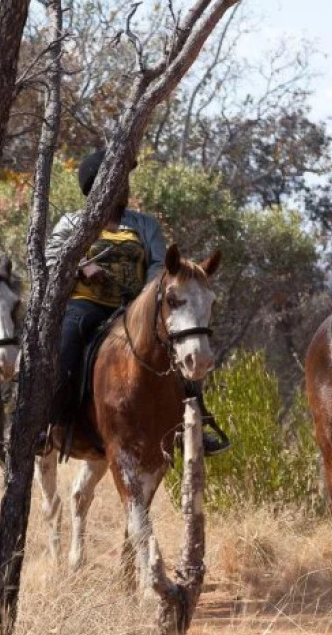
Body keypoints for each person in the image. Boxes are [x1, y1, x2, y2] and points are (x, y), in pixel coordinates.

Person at [46, 147, 229, 455]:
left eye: (125, 180)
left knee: (178, 346)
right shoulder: (71, 222)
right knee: (68, 339)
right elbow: (51, 257)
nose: (125, 187)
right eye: (118, 180)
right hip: (86, 304)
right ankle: (51, 422)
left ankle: (192, 423)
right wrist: (82, 267)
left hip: (134, 308)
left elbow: (159, 266)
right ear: (97, 185)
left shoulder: (145, 225)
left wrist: (143, 301)